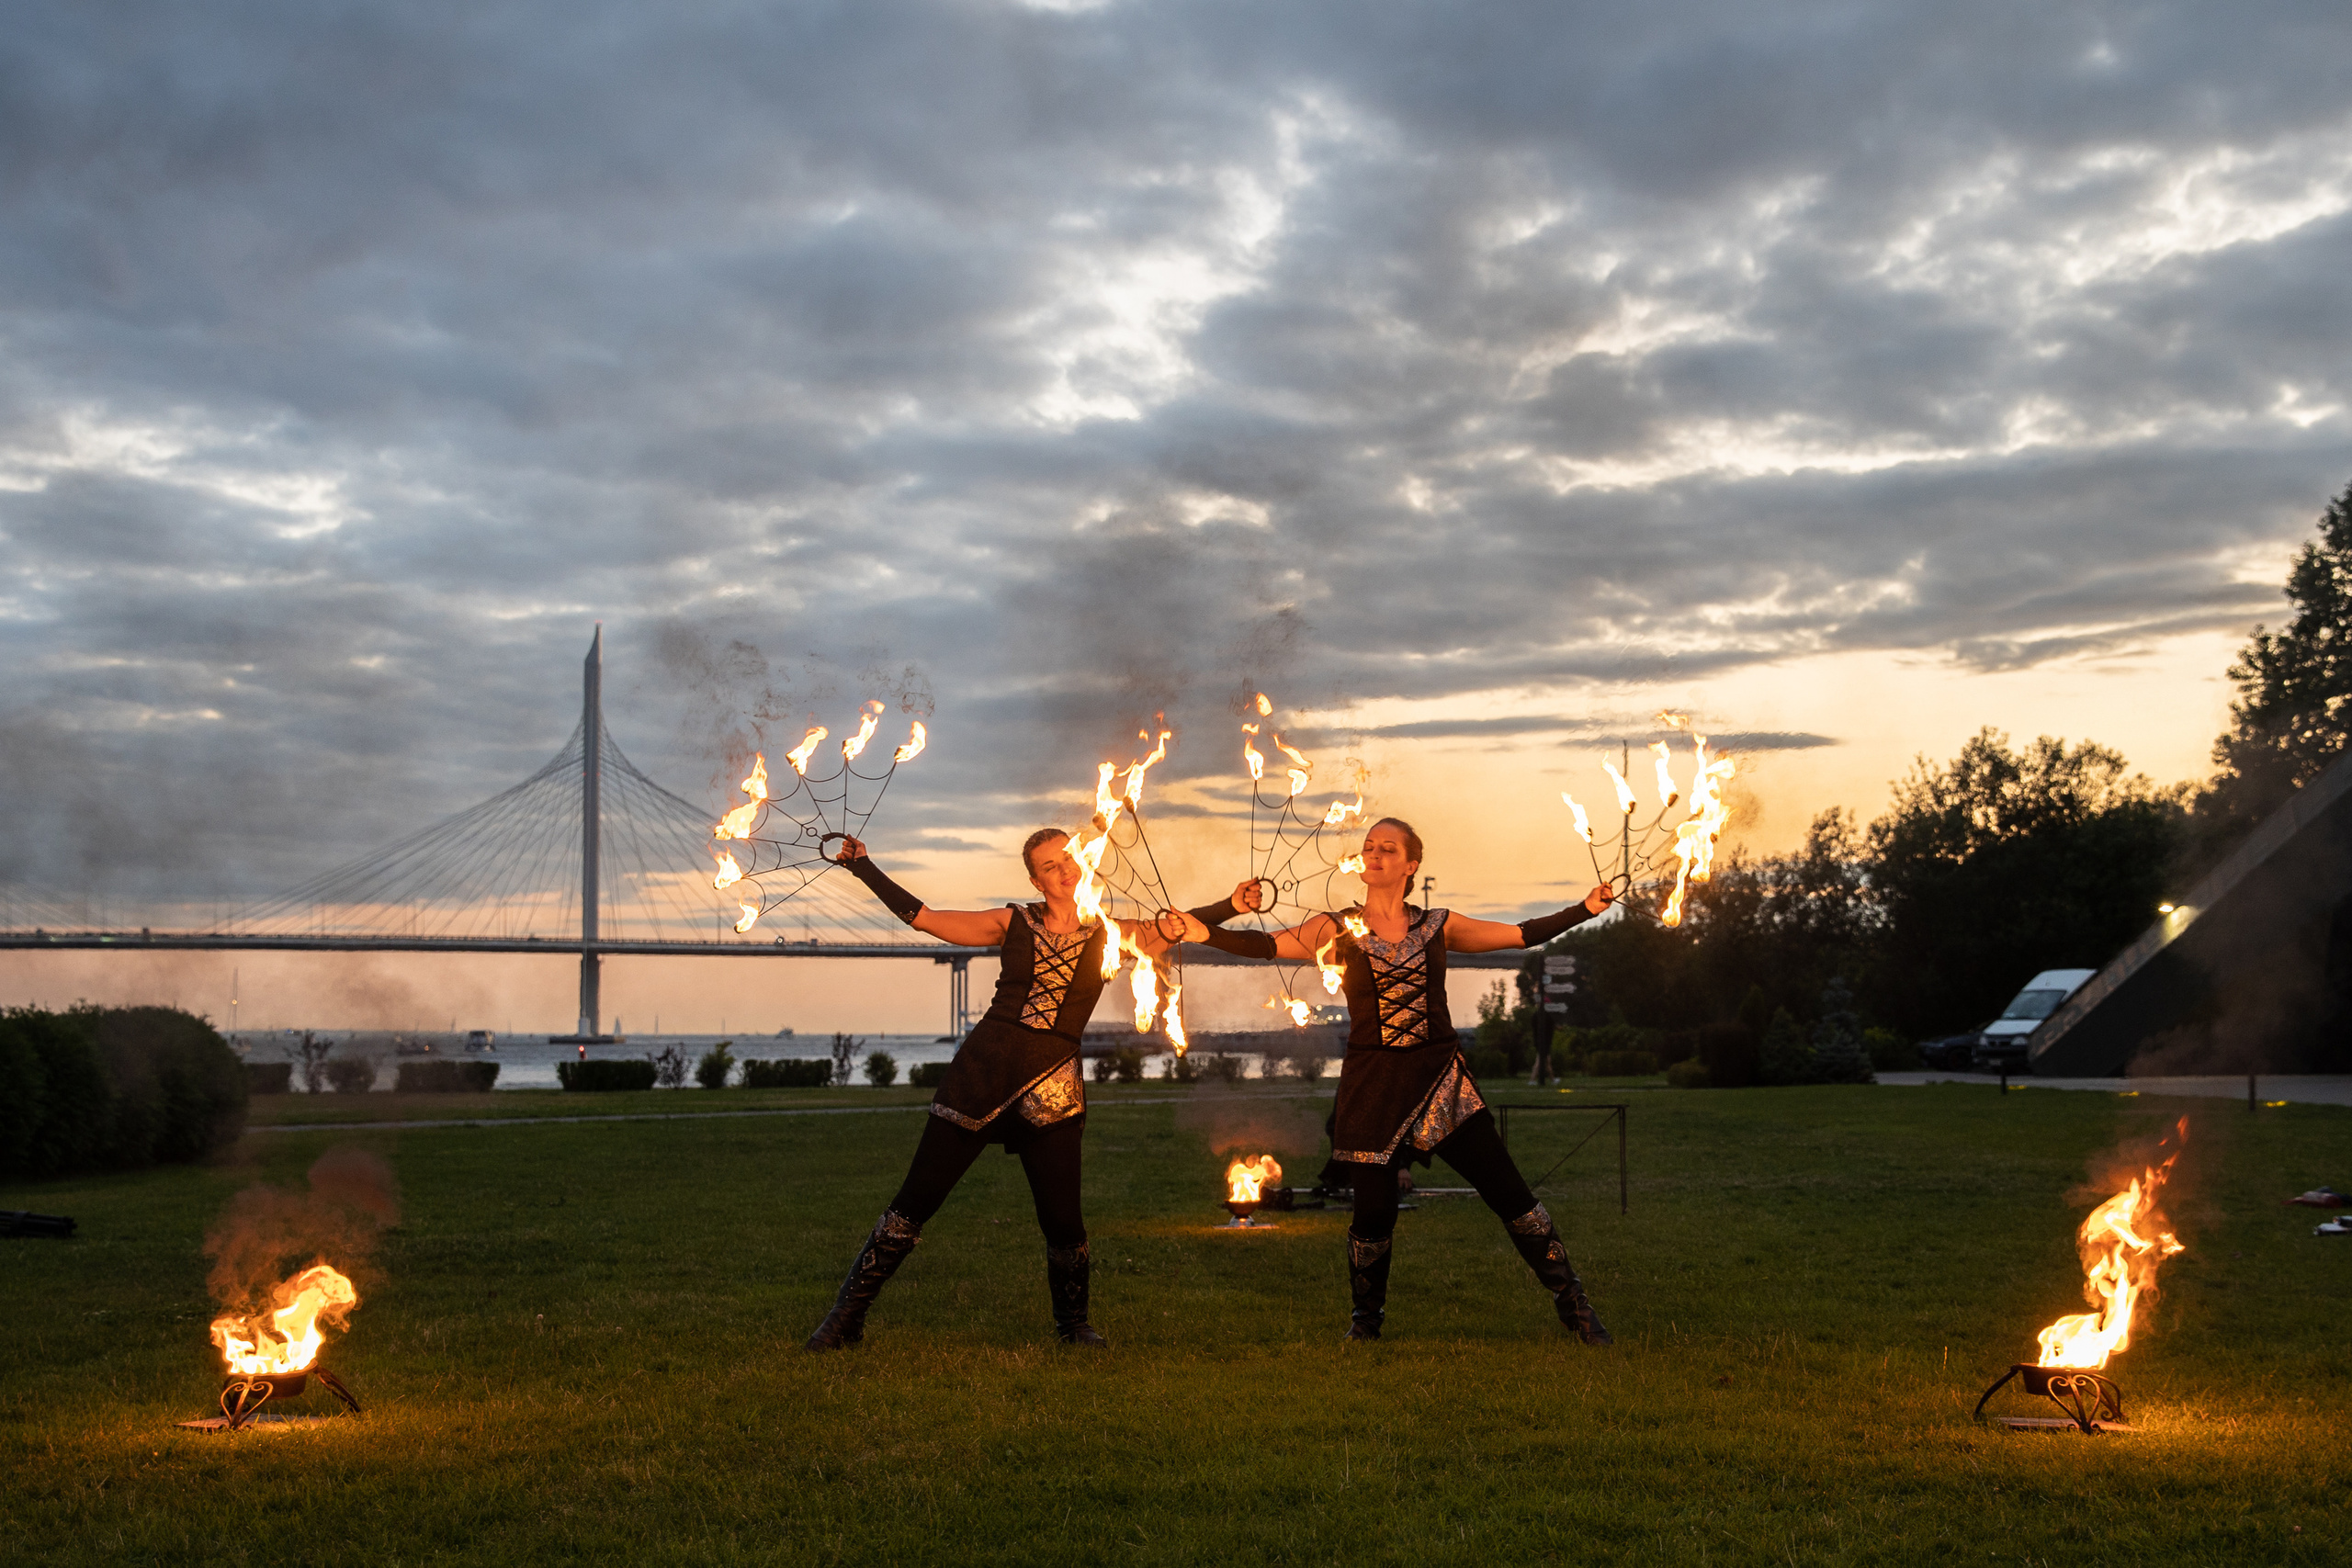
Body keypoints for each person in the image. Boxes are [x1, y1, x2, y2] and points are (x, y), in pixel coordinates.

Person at [805, 830, 1261, 1351]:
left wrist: (1230, 904)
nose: (1064, 870)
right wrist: (864, 867)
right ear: (1034, 880)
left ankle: (1074, 1326)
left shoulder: (1113, 932)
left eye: (1068, 859)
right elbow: (927, 919)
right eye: (1049, 866)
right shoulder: (1012, 920)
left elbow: (1179, 927)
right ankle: (845, 1318)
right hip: (985, 1071)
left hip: (1053, 1083)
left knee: (1063, 1215)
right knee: (917, 1199)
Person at [1178, 818, 1616, 1343]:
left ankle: (1577, 1309)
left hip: (1439, 1081)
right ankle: (1365, 1324)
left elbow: (1520, 934)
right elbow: (1268, 947)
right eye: (1368, 847)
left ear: (1410, 867)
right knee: (1373, 1215)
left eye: (1388, 848)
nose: (1374, 854)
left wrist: (1585, 910)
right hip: (1373, 1085)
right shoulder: (1336, 928)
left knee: (1510, 1194)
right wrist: (1207, 931)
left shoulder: (1438, 925)